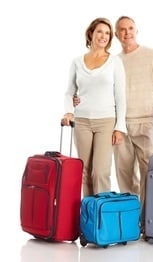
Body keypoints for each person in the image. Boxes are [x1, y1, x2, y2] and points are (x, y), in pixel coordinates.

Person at [112, 16, 153, 224]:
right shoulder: (114, 61)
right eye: (122, 30)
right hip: (120, 124)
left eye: (130, 28)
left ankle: (148, 221)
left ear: (136, 31)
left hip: (147, 121)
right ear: (116, 34)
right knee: (124, 174)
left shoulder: (151, 55)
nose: (127, 32)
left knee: (150, 173)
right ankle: (131, 220)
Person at [62, 17, 127, 197]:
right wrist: (68, 111)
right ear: (91, 33)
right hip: (82, 121)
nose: (103, 36)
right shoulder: (77, 61)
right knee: (84, 171)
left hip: (106, 121)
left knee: (100, 171)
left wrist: (120, 127)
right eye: (100, 31)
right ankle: (89, 218)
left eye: (107, 33)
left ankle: (101, 217)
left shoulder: (115, 62)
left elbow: (121, 96)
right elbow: (69, 91)